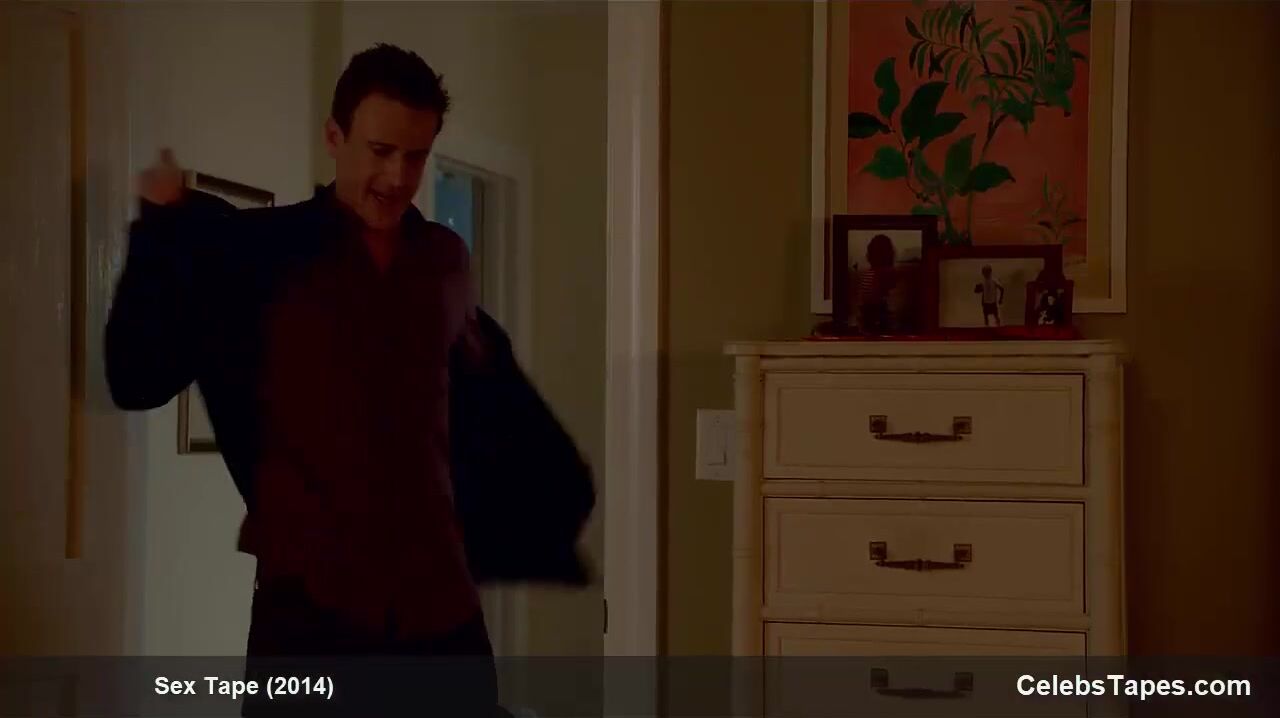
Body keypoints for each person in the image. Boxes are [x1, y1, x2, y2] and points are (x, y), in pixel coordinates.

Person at [105, 44, 593, 717]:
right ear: (334, 138)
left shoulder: (444, 260)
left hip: (441, 618)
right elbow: (136, 377)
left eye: (417, 156)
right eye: (381, 150)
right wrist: (160, 227)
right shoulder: (263, 258)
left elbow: (482, 398)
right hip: (310, 618)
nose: (398, 177)